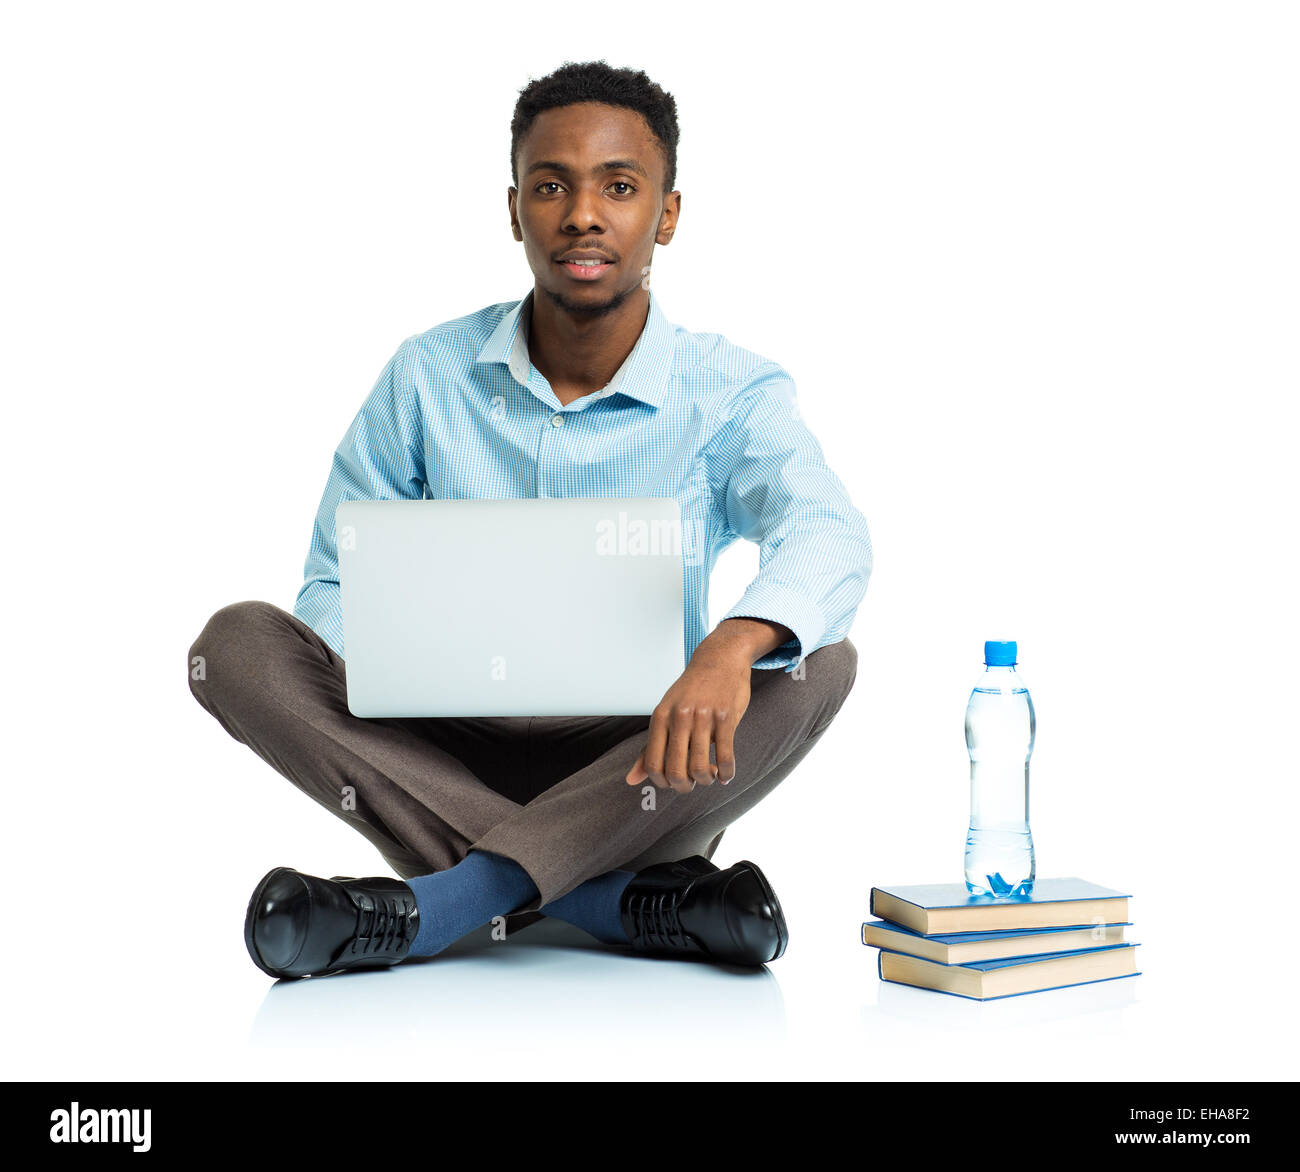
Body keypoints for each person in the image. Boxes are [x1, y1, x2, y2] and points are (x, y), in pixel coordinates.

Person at [188, 60, 872, 980]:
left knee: (818, 658)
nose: (583, 214)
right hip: (439, 747)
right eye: (552, 186)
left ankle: (443, 906)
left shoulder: (731, 390)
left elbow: (828, 527)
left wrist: (731, 644)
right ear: (514, 211)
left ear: (666, 215)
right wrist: (398, 673)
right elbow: (330, 582)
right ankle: (617, 902)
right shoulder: (426, 375)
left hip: (637, 758)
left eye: (619, 187)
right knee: (234, 645)